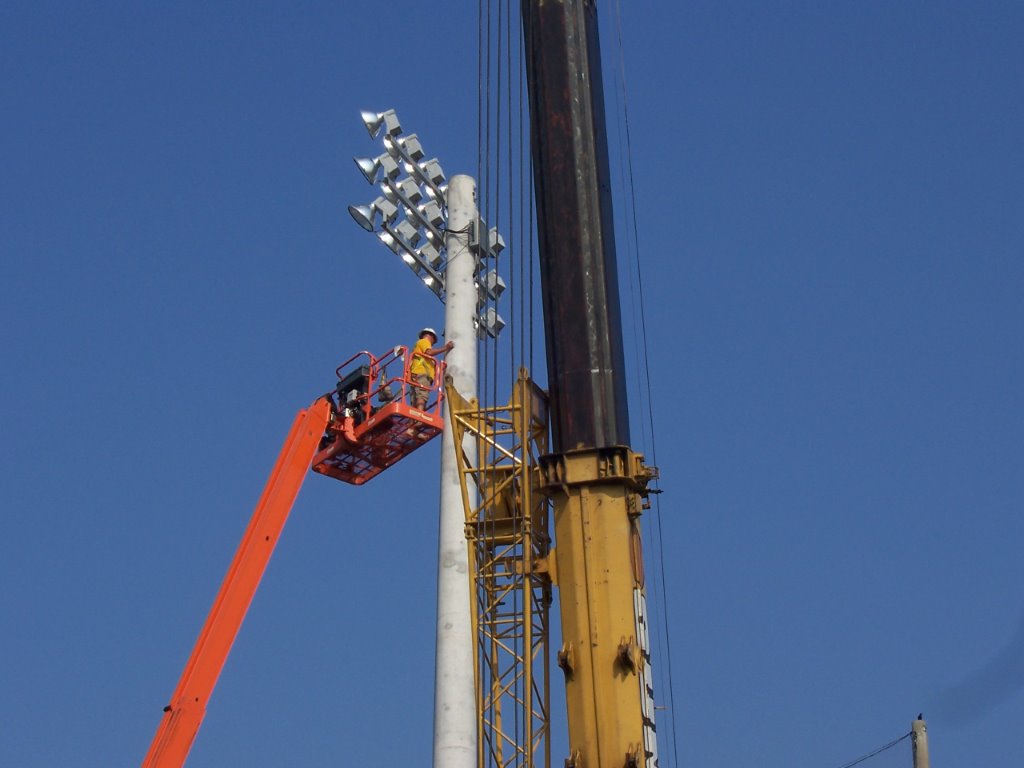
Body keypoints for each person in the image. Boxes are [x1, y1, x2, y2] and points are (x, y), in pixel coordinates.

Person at [408, 327, 453, 409]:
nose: (432, 343)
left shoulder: (420, 349)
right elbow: (429, 352)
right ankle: (420, 415)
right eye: (434, 340)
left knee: (415, 400)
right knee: (422, 396)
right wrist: (446, 347)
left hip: (415, 375)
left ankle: (416, 415)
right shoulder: (424, 342)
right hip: (421, 374)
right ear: (431, 336)